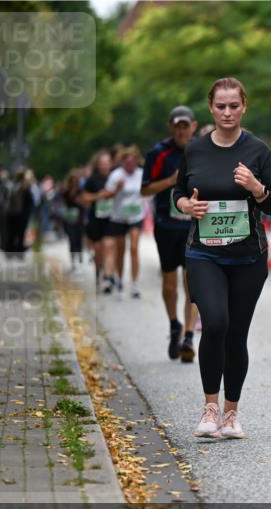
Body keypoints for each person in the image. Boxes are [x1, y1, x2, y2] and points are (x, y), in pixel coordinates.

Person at [173, 77, 271, 439]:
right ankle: (210, 408)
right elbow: (178, 192)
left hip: (248, 258)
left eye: (233, 106)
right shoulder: (195, 150)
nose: (227, 112)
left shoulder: (258, 151)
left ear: (244, 107)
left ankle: (231, 414)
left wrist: (256, 188)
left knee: (236, 334)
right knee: (215, 323)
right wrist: (186, 205)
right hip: (204, 254)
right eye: (220, 106)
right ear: (210, 108)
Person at [142, 106, 200, 362]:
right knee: (169, 283)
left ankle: (188, 336)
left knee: (192, 282)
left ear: (193, 126)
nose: (181, 131)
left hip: (193, 226)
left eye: (186, 126)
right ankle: (174, 323)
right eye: (178, 126)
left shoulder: (202, 150)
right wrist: (171, 181)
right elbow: (145, 190)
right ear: (171, 127)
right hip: (166, 225)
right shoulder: (158, 153)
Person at [102, 146, 147, 298]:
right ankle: (119, 279)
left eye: (133, 162)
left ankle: (134, 284)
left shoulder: (141, 174)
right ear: (122, 162)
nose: (130, 165)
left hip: (136, 216)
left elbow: (148, 191)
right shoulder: (116, 175)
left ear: (136, 162)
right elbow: (106, 195)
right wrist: (117, 189)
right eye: (127, 162)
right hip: (119, 217)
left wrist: (145, 199)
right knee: (120, 250)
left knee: (134, 248)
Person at [79, 151, 114, 290]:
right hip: (96, 219)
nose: (105, 166)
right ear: (98, 165)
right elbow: (84, 198)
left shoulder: (115, 177)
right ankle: (98, 272)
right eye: (102, 163)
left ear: (111, 164)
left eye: (107, 163)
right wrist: (99, 196)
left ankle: (107, 277)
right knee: (98, 249)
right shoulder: (92, 180)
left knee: (108, 246)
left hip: (111, 218)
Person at [5, 168, 35, 255]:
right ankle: (19, 250)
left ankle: (10, 250)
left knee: (11, 233)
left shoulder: (12, 185)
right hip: (22, 214)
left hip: (11, 213)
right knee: (20, 233)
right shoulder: (24, 186)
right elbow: (31, 201)